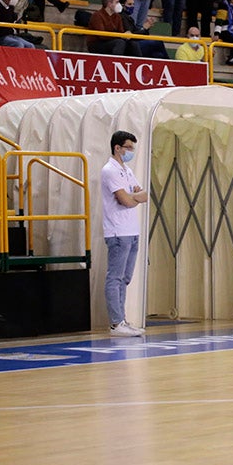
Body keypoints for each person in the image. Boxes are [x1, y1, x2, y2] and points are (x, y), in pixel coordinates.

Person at [101, 130, 148, 337]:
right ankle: (116, 322)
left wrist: (135, 195)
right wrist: (135, 196)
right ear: (117, 148)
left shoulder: (127, 171)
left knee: (125, 278)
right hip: (118, 231)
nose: (131, 152)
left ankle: (123, 320)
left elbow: (142, 193)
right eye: (128, 148)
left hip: (131, 230)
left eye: (132, 148)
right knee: (116, 277)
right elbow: (126, 200)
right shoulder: (109, 171)